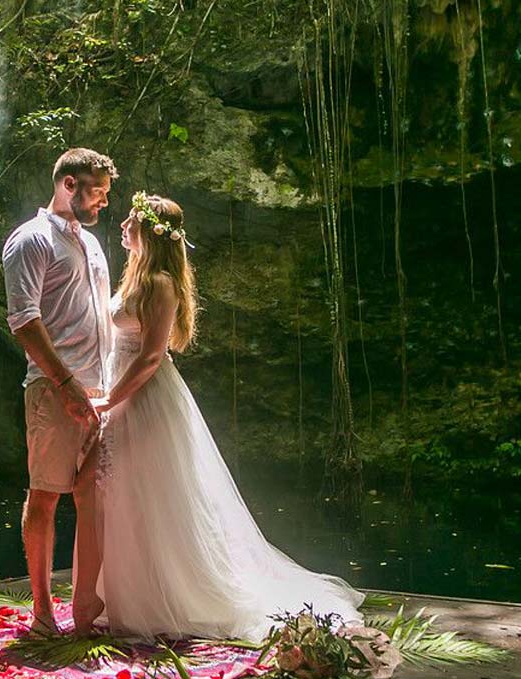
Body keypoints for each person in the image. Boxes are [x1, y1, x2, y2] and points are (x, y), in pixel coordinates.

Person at [86, 192, 364, 641]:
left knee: (151, 494)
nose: (122, 224)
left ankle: (165, 597)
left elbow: (153, 356)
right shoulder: (134, 277)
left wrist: (110, 400)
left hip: (144, 399)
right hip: (121, 395)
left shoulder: (159, 283)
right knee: (123, 494)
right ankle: (127, 595)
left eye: (131, 220)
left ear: (152, 233)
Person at [1, 148, 116, 636]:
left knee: (100, 496)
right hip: (54, 390)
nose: (104, 202)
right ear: (68, 185)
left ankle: (93, 604)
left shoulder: (90, 243)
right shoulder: (29, 241)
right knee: (46, 495)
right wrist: (66, 384)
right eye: (98, 191)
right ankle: (44, 612)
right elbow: (23, 320)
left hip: (103, 392)